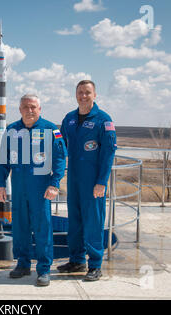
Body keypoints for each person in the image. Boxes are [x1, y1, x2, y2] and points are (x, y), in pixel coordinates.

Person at [0, 94, 67, 287]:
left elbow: (60, 159)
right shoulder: (12, 130)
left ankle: (44, 269)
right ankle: (22, 264)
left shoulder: (51, 130)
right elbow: (3, 160)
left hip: (41, 189)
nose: (29, 110)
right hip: (19, 188)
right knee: (20, 227)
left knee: (42, 228)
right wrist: (1, 184)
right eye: (25, 107)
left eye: (33, 107)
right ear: (19, 109)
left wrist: (55, 183)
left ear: (40, 109)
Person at [58, 80, 117, 281]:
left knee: (93, 222)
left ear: (95, 95)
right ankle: (76, 259)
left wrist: (102, 181)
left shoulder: (103, 120)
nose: (83, 96)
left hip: (93, 182)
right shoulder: (69, 118)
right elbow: (60, 145)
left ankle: (94, 265)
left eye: (87, 92)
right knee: (74, 222)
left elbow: (108, 153)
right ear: (76, 94)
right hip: (74, 180)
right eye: (80, 92)